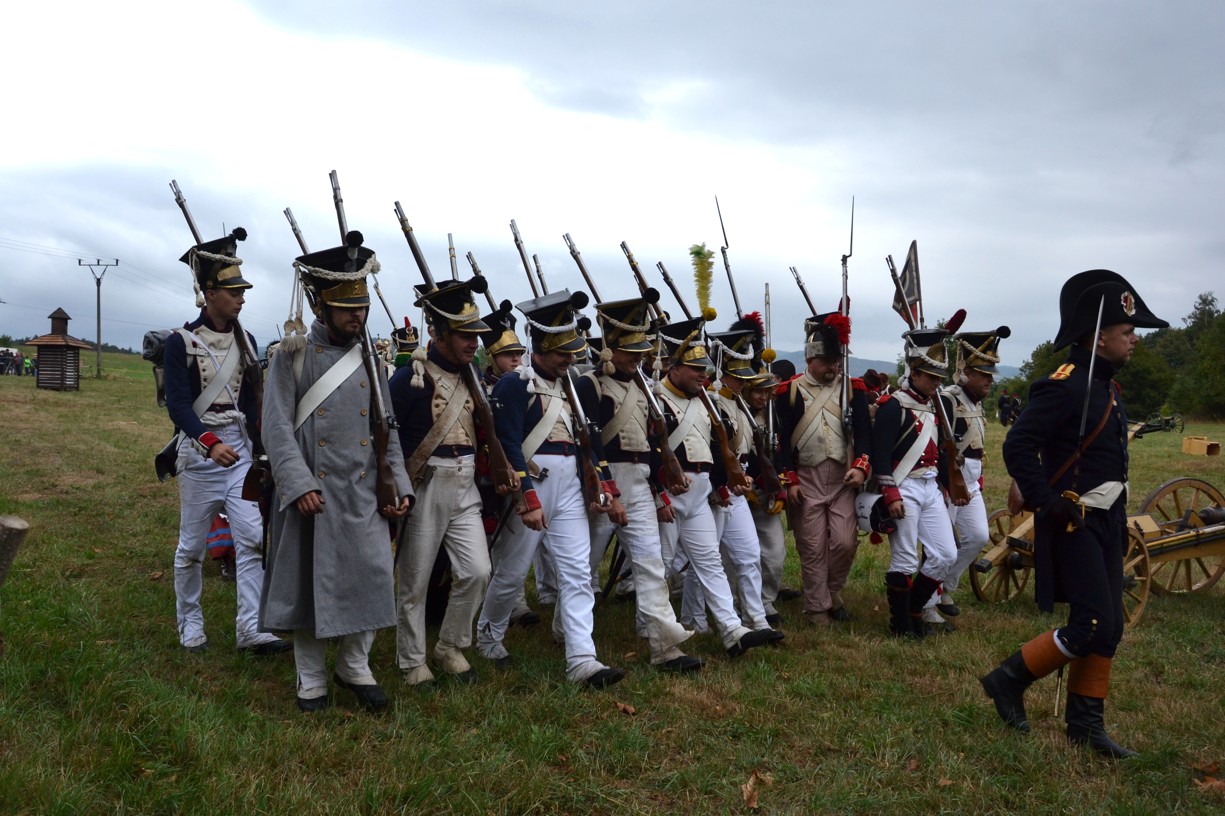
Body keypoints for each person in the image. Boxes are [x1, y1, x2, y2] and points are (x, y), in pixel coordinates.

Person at [981, 269, 1167, 758]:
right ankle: (1007, 679)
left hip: (1106, 521)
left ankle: (1085, 726)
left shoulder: (1107, 387)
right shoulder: (1065, 385)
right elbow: (1020, 445)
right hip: (1073, 520)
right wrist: (1047, 501)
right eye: (1128, 331)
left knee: (1111, 626)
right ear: (1100, 336)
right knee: (1090, 625)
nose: (1134, 340)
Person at [260, 231, 413, 713]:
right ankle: (310, 677)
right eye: (347, 308)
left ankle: (354, 665)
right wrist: (298, 483)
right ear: (321, 307)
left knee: (371, 575)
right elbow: (275, 427)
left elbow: (387, 429)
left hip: (363, 489)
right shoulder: (291, 355)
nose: (357, 316)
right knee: (310, 585)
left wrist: (399, 484)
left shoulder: (373, 359)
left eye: (361, 307)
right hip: (313, 490)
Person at [475, 290, 626, 687]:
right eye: (562, 353)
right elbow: (508, 444)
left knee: (577, 573)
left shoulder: (571, 387)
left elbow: (587, 442)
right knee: (511, 572)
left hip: (570, 485)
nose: (569, 359)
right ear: (540, 346)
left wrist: (602, 486)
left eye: (571, 352)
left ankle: (582, 659)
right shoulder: (514, 385)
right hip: (534, 484)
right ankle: (488, 635)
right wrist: (526, 497)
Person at [163, 227, 290, 657]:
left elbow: (252, 403)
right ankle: (190, 622)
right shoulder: (180, 342)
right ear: (210, 293)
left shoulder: (247, 342)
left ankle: (251, 628)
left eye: (242, 292)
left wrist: (262, 449)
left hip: (239, 453)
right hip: (200, 454)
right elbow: (178, 406)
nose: (241, 299)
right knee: (191, 547)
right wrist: (209, 443)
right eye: (234, 292)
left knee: (252, 537)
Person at [578, 291, 703, 673]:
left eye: (641, 350)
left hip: (640, 482)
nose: (638, 357)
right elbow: (590, 444)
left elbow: (653, 446)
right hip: (603, 482)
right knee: (584, 566)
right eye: (630, 351)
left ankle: (664, 646)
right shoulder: (590, 385)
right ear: (610, 347)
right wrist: (606, 491)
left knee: (651, 564)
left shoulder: (645, 385)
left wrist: (659, 490)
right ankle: (568, 633)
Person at [653, 315, 784, 657]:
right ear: (674, 368)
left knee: (712, 562)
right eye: (695, 368)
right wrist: (658, 493)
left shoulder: (706, 402)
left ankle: (732, 629)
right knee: (662, 566)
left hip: (703, 492)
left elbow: (716, 450)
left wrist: (723, 484)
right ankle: (654, 629)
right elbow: (650, 451)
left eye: (704, 368)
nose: (703, 374)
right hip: (670, 492)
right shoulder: (655, 398)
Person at [390, 277, 496, 690]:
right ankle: (412, 660)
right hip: (426, 481)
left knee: (477, 571)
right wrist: (397, 486)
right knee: (415, 581)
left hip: (466, 482)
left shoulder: (473, 377)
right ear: (439, 333)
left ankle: (450, 645)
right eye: (465, 334)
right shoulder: (409, 378)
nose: (474, 342)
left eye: (475, 334)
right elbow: (388, 440)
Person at [774, 311, 871, 626]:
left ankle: (831, 591)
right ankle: (817, 607)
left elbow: (864, 434)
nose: (833, 367)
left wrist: (861, 467)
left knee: (844, 542)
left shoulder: (853, 389)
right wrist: (790, 480)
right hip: (806, 478)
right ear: (810, 360)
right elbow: (781, 442)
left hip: (843, 478)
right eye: (827, 362)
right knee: (812, 546)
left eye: (836, 361)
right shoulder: (788, 392)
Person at [870, 327, 962, 638]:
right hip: (904, 485)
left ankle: (914, 609)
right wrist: (891, 493)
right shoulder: (893, 405)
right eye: (931, 377)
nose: (936, 383)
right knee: (906, 558)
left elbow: (942, 452)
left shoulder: (935, 406)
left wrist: (950, 485)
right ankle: (902, 625)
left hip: (930, 486)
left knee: (946, 554)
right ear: (914, 371)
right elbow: (881, 454)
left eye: (939, 378)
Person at [923, 325, 1010, 630]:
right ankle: (928, 603)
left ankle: (946, 585)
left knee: (978, 536)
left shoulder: (976, 400)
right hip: (950, 481)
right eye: (984, 374)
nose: (990, 380)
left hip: (971, 481)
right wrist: (947, 484)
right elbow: (940, 446)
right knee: (940, 545)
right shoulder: (948, 399)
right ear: (966, 372)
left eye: (990, 374)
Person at [478, 301, 547, 626]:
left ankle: (516, 601)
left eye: (519, 353)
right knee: (492, 540)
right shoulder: (481, 387)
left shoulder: (526, 386)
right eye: (508, 354)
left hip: (523, 471)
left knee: (512, 542)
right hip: (485, 474)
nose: (516, 359)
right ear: (492, 357)